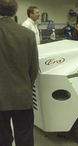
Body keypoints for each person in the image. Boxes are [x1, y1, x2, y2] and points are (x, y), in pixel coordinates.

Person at [0, 0, 39, 146]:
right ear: (16, 12)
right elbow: (34, 68)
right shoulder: (28, 34)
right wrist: (26, 85)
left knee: (2, 139)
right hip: (22, 95)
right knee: (25, 137)